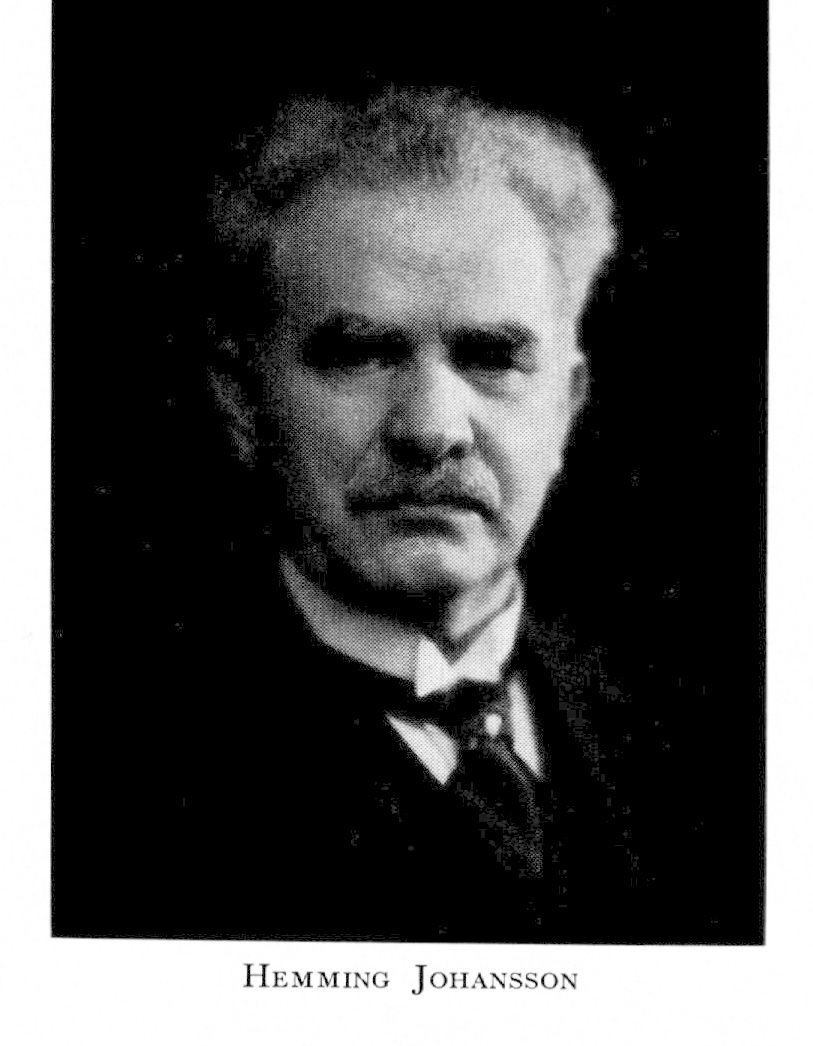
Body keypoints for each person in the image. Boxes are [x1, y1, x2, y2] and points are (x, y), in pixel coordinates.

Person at [56, 87, 643, 942]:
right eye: (361, 355)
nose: (431, 431)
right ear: (243, 400)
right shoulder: (92, 775)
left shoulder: (709, 747)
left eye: (491, 357)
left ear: (567, 404)